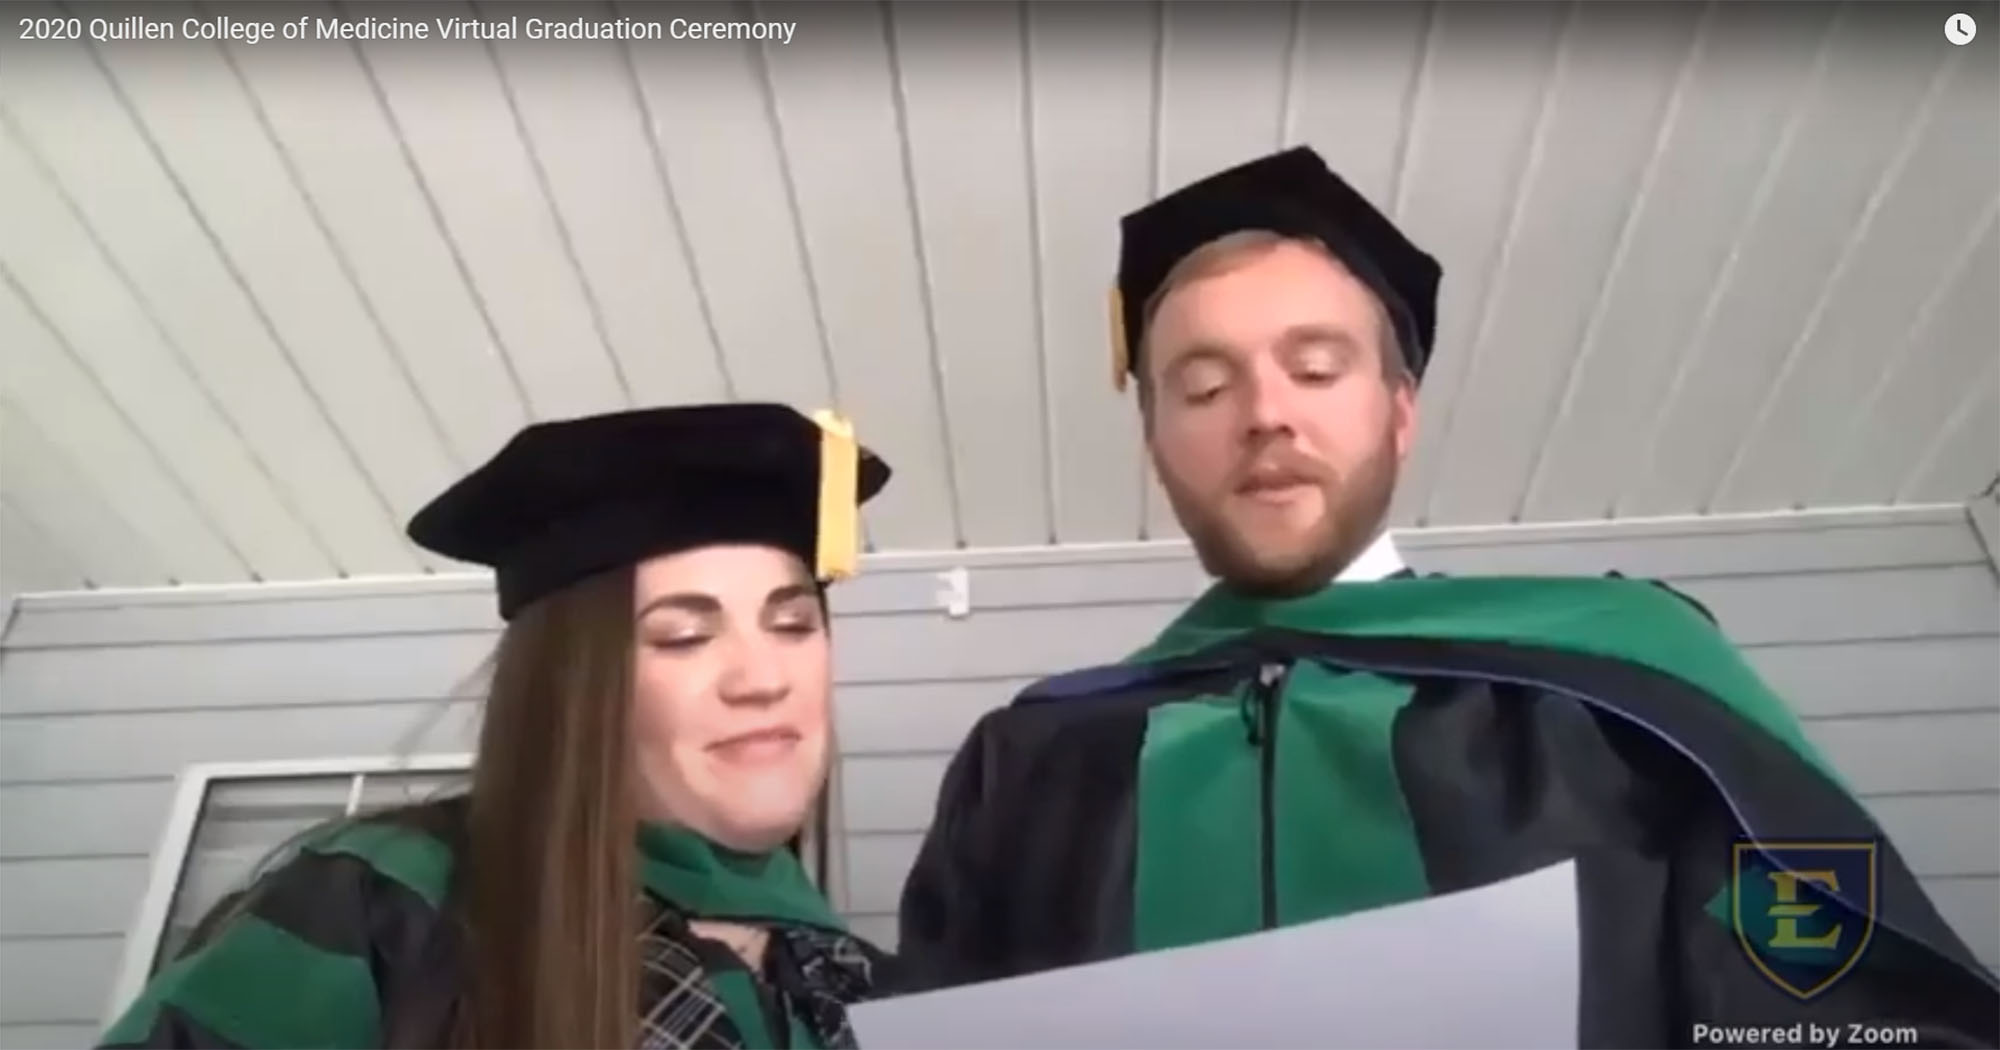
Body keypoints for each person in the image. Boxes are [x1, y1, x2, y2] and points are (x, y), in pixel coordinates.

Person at [894, 147, 1999, 1046]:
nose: (1264, 413)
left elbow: (1841, 1002)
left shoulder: (1635, 692)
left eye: (1315, 368)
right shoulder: (1027, 765)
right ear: (1155, 447)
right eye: (1204, 385)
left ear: (1400, 414)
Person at [101, 403, 896, 1049]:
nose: (763, 678)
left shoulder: (875, 990)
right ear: (573, 687)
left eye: (794, 624)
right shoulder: (385, 909)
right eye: (683, 636)